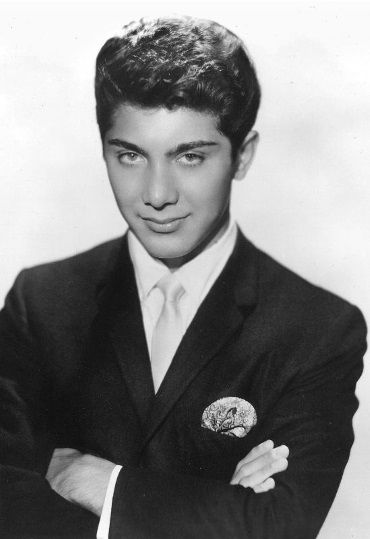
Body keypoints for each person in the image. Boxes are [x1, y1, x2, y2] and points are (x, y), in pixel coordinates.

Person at [0, 15, 366, 539]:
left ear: (243, 156)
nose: (156, 194)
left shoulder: (318, 329)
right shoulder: (41, 301)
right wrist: (218, 510)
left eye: (189, 157)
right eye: (130, 155)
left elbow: (280, 524)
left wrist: (103, 484)